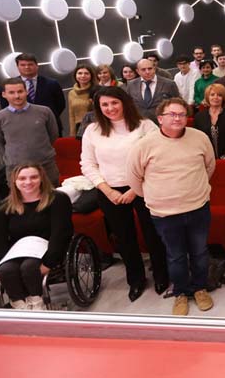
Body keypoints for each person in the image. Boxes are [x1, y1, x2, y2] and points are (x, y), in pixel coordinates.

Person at [127, 97, 216, 315]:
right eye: (172, 114)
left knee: (200, 252)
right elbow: (134, 179)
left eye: (182, 114)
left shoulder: (200, 138)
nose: (178, 118)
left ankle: (200, 288)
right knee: (175, 256)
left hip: (197, 207)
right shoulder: (144, 145)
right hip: (165, 213)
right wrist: (156, 197)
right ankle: (181, 293)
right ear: (160, 119)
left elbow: (209, 167)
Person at [81, 86, 168, 301]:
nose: (110, 108)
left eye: (114, 103)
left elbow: (157, 158)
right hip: (109, 190)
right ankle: (136, 280)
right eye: (105, 105)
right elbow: (88, 164)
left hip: (144, 187)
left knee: (153, 234)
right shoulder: (92, 130)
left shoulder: (144, 125)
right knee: (124, 238)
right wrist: (107, 190)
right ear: (99, 107)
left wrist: (134, 189)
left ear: (124, 103)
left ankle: (161, 275)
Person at [0, 164, 72, 310]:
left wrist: (49, 263)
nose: (28, 182)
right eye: (22, 178)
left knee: (29, 267)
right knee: (6, 271)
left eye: (34, 177)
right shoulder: (4, 206)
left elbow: (61, 233)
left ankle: (37, 304)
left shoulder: (57, 200)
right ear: (14, 182)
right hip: (17, 250)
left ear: (42, 179)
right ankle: (20, 306)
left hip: (47, 248)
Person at [0, 79, 60, 194]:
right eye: (11, 92)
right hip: (15, 169)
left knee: (53, 201)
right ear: (4, 95)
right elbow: (0, 143)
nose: (17, 96)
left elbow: (53, 135)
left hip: (46, 166)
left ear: (26, 92)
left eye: (20, 91)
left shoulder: (44, 111)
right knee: (22, 207)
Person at [0, 53, 66, 135]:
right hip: (21, 129)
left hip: (49, 127)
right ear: (17, 67)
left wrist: (46, 117)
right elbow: (5, 107)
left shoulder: (52, 83)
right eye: (23, 65)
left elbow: (60, 105)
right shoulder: (9, 86)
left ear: (37, 66)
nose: (27, 67)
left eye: (30, 64)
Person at [193, 83, 225, 159]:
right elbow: (197, 139)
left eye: (219, 95)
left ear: (223, 98)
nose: (215, 97)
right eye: (212, 95)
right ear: (207, 97)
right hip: (205, 158)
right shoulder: (199, 117)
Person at [125, 58, 181, 123]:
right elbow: (128, 105)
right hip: (139, 124)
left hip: (163, 124)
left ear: (154, 68)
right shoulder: (131, 85)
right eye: (143, 69)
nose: (147, 72)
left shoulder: (169, 84)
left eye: (150, 68)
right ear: (138, 71)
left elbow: (178, 104)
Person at [67, 65, 96, 136]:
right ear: (75, 75)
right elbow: (71, 115)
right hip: (79, 128)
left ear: (91, 75)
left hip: (94, 127)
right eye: (80, 73)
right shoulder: (71, 93)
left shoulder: (97, 90)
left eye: (86, 73)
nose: (83, 76)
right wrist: (72, 134)